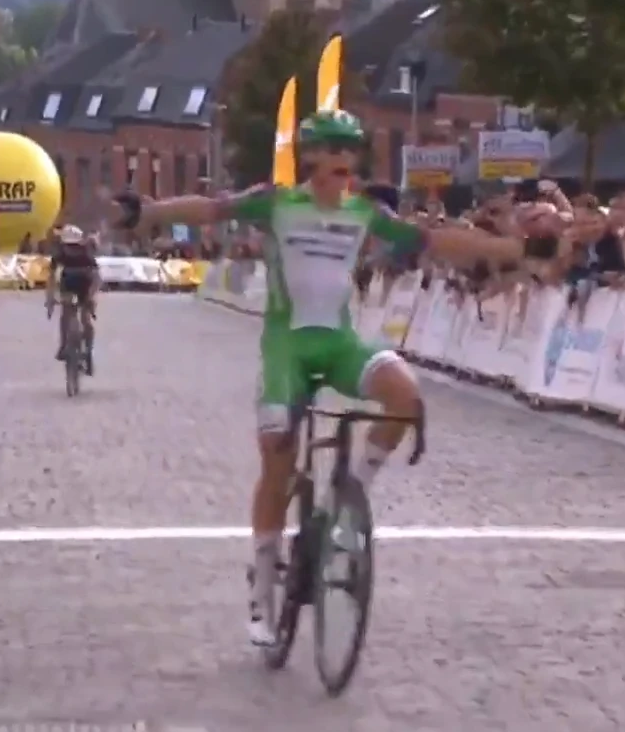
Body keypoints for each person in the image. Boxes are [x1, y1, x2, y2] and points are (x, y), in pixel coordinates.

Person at [111, 109, 525, 647]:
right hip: (288, 350)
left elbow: (433, 239)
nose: (341, 162)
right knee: (278, 457)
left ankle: (351, 490)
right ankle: (262, 585)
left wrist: (509, 249)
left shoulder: (363, 212)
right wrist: (148, 211)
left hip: (340, 345)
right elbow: (212, 209)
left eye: (349, 152)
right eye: (331, 151)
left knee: (405, 396)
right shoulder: (278, 202)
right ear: (310, 158)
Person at [45, 224, 100, 373]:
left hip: (76, 283)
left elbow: (51, 277)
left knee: (72, 314)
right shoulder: (82, 252)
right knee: (80, 316)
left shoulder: (65, 252)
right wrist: (92, 296)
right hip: (79, 283)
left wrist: (50, 299)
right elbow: (96, 276)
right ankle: (80, 347)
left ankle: (72, 346)